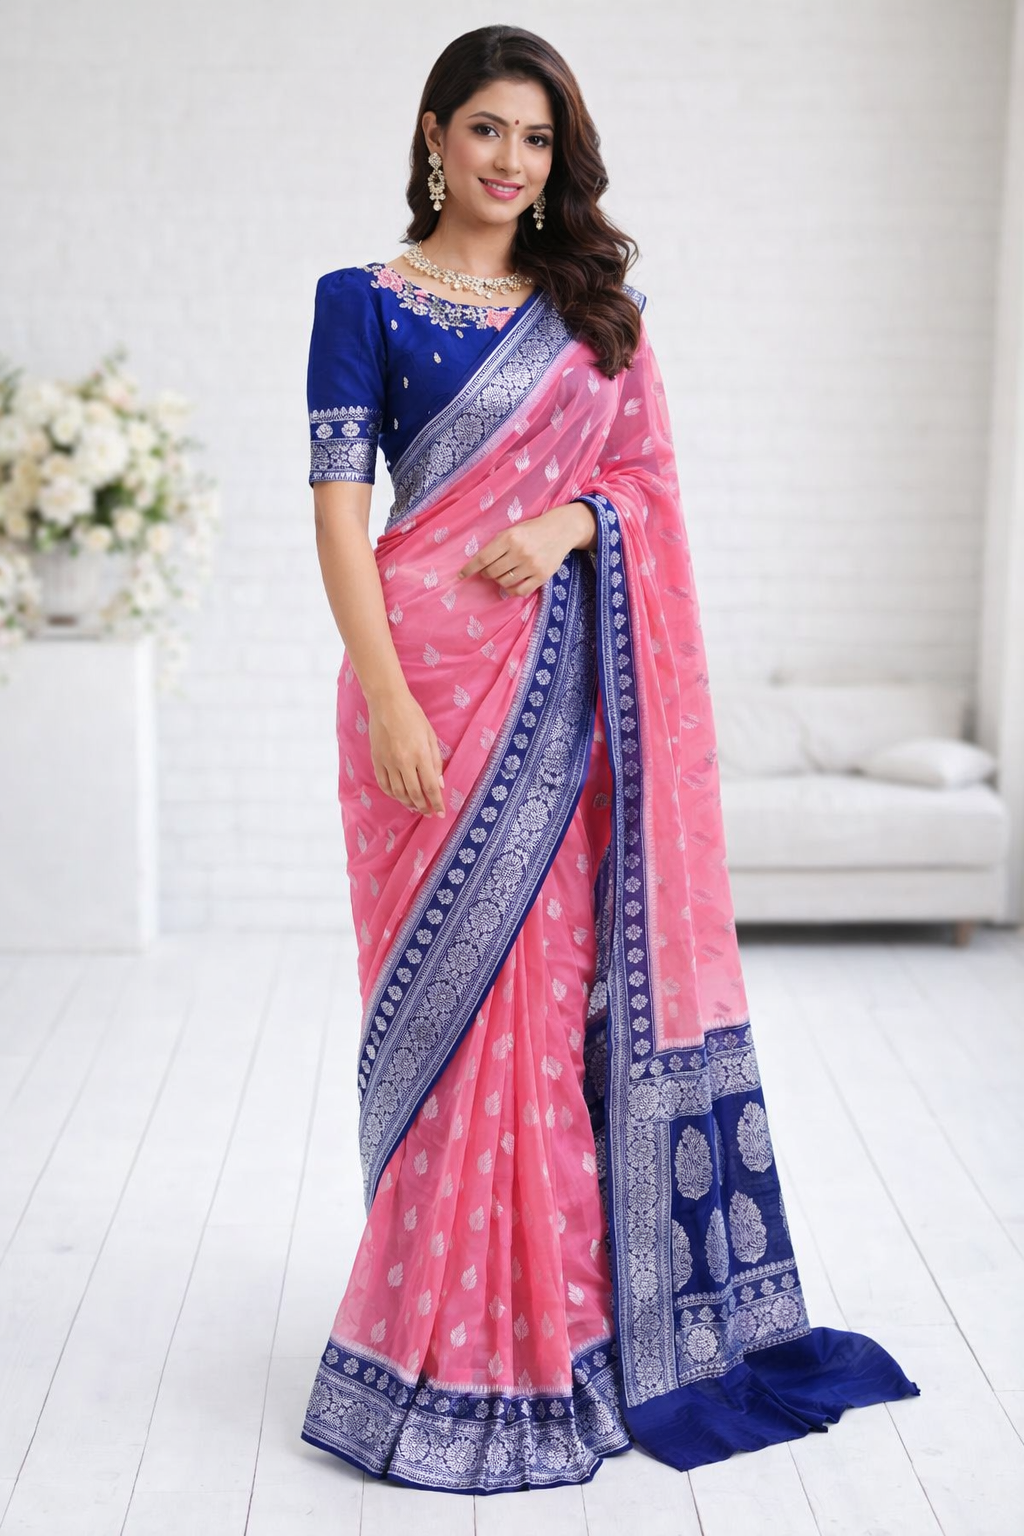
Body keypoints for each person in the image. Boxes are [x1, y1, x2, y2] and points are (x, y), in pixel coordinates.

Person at [299, 23, 921, 1496]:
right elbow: (336, 516)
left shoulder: (596, 313)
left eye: (537, 139)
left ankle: (557, 1329)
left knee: (543, 1008)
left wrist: (571, 522)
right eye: (487, 130)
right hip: (421, 688)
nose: (511, 162)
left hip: (561, 699)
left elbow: (643, 484)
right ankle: (431, 1333)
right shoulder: (358, 299)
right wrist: (387, 699)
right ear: (435, 134)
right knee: (443, 1022)